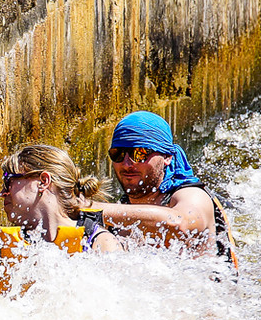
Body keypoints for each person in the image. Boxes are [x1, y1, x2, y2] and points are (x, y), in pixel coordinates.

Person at [0, 144, 121, 295]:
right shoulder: (6, 251)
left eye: (8, 181)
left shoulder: (101, 244)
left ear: (43, 181)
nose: (3, 193)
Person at [92, 111, 238, 263]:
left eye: (139, 154)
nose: (127, 164)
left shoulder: (193, 196)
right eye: (118, 154)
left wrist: (93, 209)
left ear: (167, 156)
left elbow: (179, 225)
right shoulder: (118, 215)